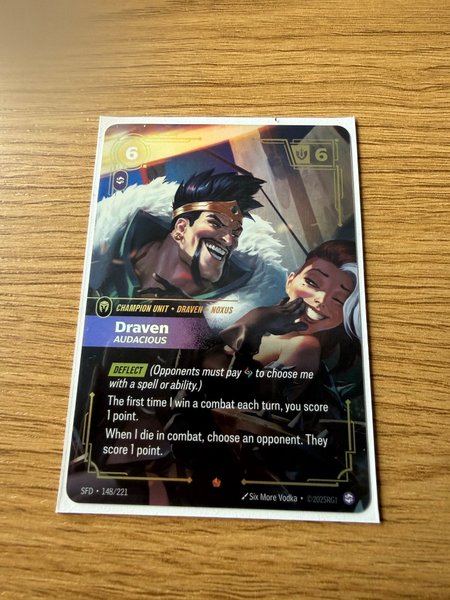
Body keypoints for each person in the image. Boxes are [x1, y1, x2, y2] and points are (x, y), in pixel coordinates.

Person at [90, 169, 270, 300]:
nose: (230, 240)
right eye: (216, 223)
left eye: (236, 233)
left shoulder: (230, 309)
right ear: (181, 228)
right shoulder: (105, 257)